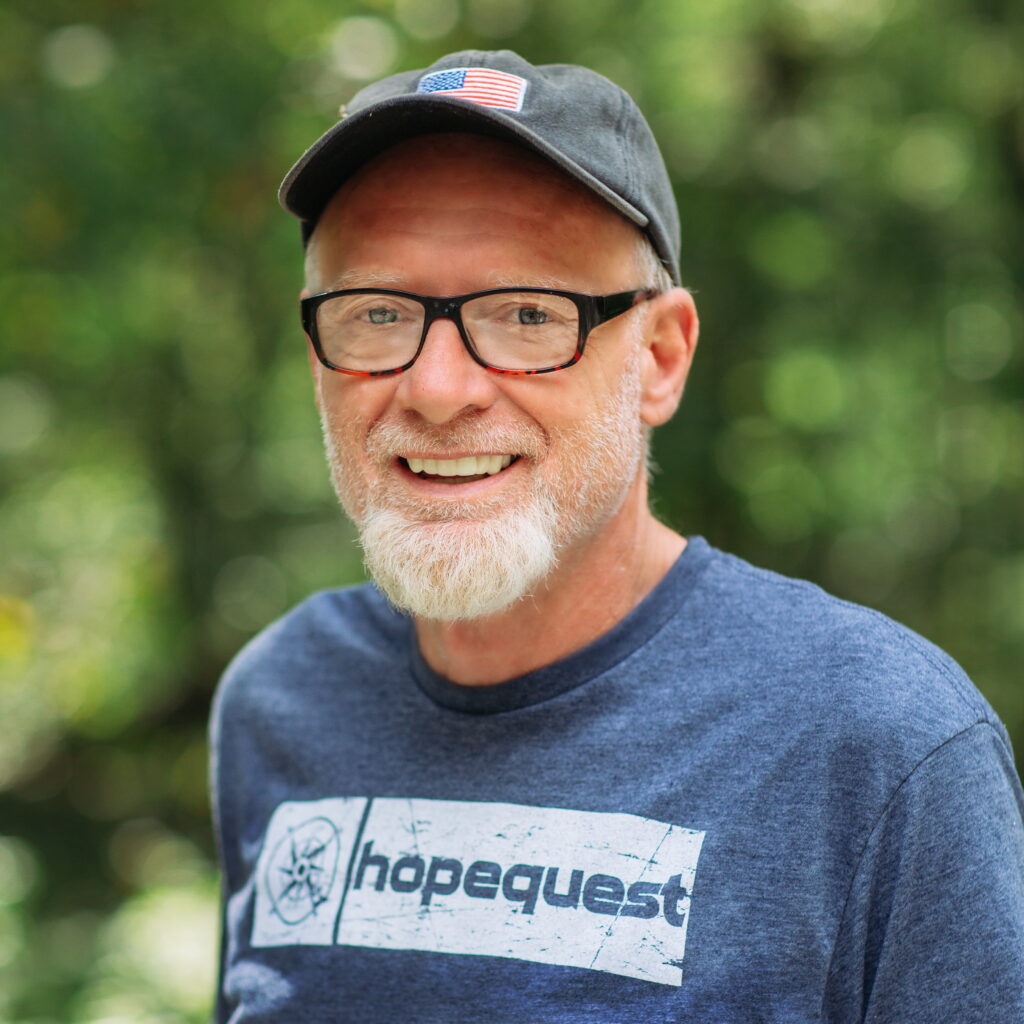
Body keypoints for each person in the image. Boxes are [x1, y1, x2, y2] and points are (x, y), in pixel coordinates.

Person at [210, 50, 1024, 1023]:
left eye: (524, 314)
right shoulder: (282, 700)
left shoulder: (878, 743)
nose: (435, 389)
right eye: (377, 313)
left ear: (660, 357)